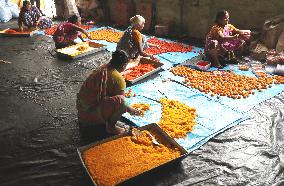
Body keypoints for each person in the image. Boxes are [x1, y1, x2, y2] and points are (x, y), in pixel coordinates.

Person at [76, 50, 142, 134]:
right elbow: (121, 103)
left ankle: (102, 119)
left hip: (82, 111)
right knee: (122, 101)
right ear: (124, 65)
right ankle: (111, 127)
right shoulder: (118, 79)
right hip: (90, 117)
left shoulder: (102, 68)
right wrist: (132, 110)